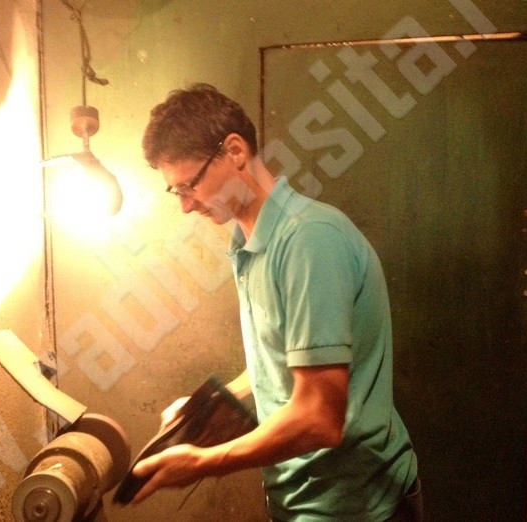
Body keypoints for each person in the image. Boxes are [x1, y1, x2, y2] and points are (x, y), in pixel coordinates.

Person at [132, 83, 421, 521]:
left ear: (234, 151)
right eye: (177, 192)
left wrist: (203, 463)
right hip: (300, 497)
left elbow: (320, 417)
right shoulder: (248, 242)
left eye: (189, 185)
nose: (186, 206)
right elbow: (283, 360)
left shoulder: (308, 241)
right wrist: (205, 407)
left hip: (353, 506)